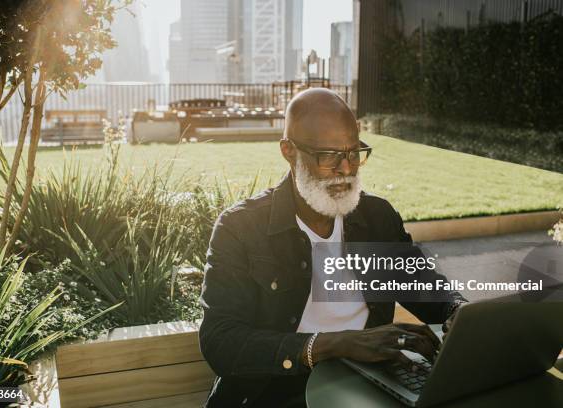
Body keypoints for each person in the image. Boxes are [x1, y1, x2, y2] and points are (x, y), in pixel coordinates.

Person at [199, 88, 466, 407]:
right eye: (328, 156)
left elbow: (422, 284)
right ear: (289, 151)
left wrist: (458, 311)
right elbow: (222, 343)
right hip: (275, 393)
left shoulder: (377, 218)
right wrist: (332, 345)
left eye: (353, 153)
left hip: (370, 387)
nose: (346, 169)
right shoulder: (241, 228)